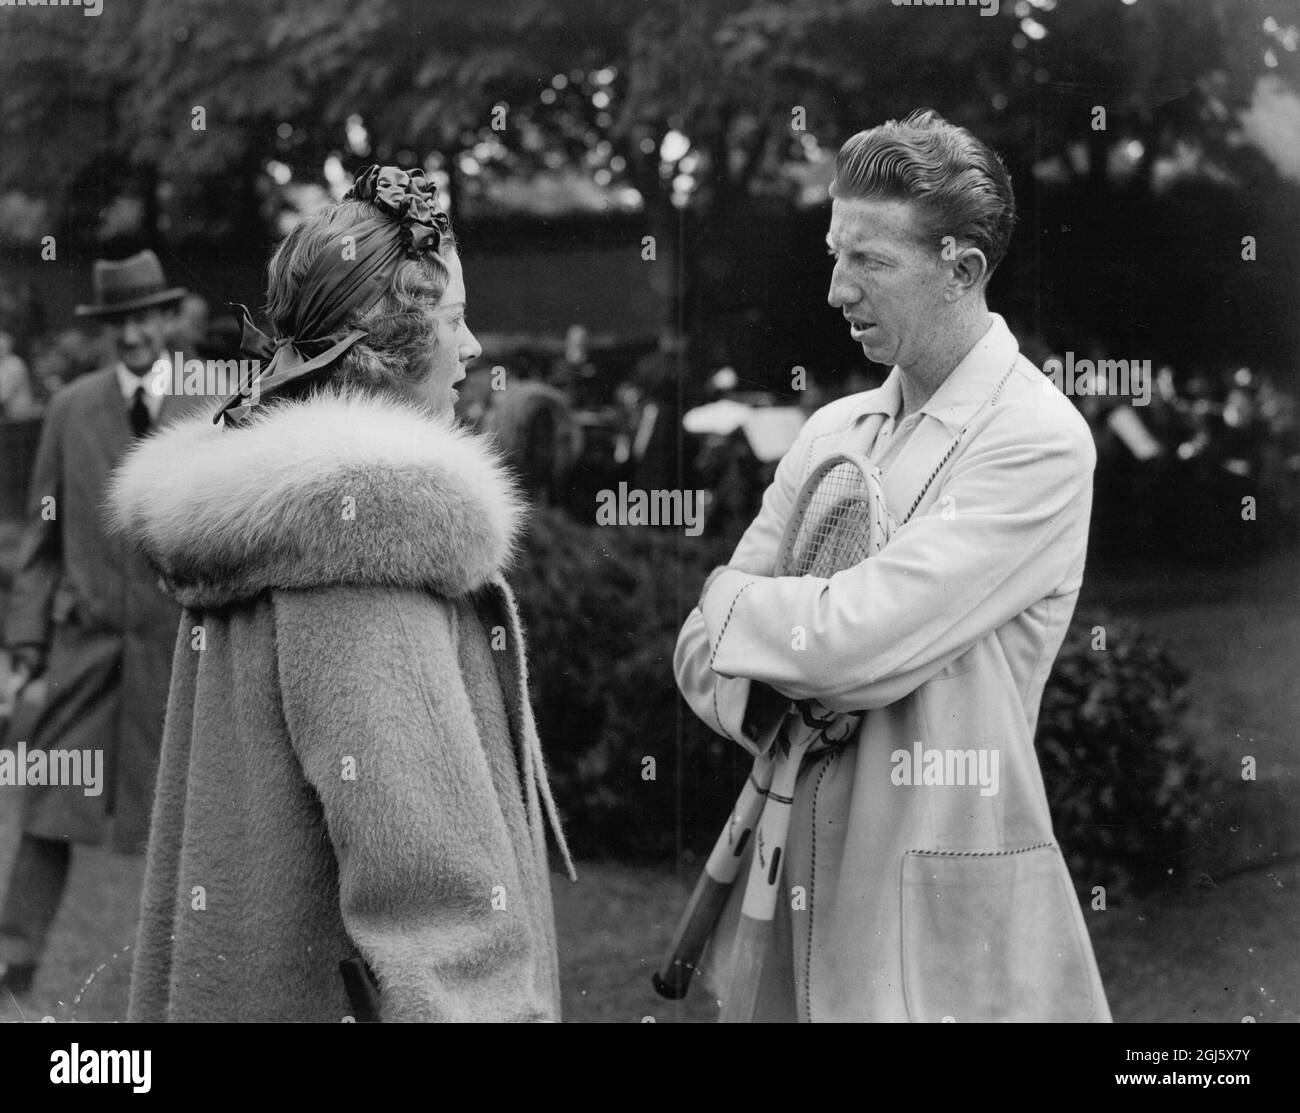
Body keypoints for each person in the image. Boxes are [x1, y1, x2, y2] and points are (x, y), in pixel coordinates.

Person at [674, 109, 1111, 1022]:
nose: (836, 290)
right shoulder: (834, 430)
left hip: (944, 890)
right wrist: (786, 664)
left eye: (869, 261)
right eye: (836, 254)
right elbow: (695, 654)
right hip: (790, 881)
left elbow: (849, 642)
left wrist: (736, 604)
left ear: (963, 270)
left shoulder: (1038, 439)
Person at [109, 166, 573, 1022]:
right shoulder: (364, 553)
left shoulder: (258, 529)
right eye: (454, 319)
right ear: (386, 346)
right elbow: (434, 907)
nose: (471, 348)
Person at [0, 250, 206, 997]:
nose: (134, 334)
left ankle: (192, 978)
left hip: (178, 657)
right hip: (85, 650)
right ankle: (10, 964)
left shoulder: (205, 405)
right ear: (104, 330)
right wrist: (26, 644)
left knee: (185, 825)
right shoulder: (70, 409)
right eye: (120, 321)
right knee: (49, 805)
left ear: (169, 320)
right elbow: (41, 541)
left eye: (147, 317)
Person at [0, 330, 38, 418]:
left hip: (18, 415)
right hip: (8, 414)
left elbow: (4, 394)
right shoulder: (3, 363)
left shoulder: (14, 364)